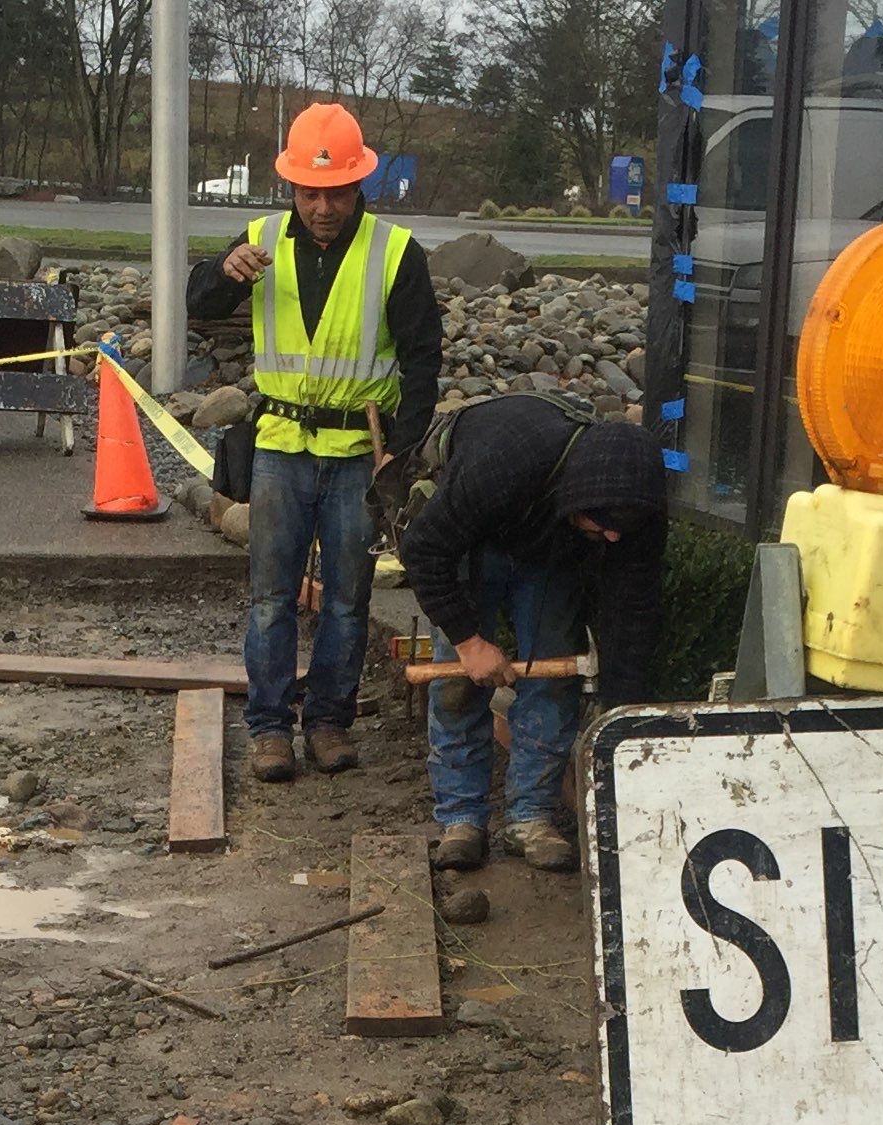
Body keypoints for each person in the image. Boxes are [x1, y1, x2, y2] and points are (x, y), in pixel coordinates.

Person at [185, 102, 441, 785]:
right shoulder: (261, 239)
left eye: (336, 192)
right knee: (271, 596)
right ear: (291, 187)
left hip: (359, 454)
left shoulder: (393, 253)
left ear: (360, 184)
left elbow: (422, 361)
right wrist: (221, 272)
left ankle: (328, 721)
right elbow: (201, 304)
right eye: (310, 192)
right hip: (281, 448)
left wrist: (403, 451)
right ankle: (269, 728)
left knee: (348, 600)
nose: (323, 206)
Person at [399, 399, 667, 873]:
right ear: (578, 499)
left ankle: (532, 816)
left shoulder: (633, 512)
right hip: (473, 540)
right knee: (459, 686)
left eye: (619, 531)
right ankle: (461, 818)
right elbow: (424, 551)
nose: (612, 539)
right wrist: (468, 641)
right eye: (602, 525)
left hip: (550, 551)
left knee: (552, 680)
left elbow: (633, 607)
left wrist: (621, 706)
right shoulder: (504, 463)